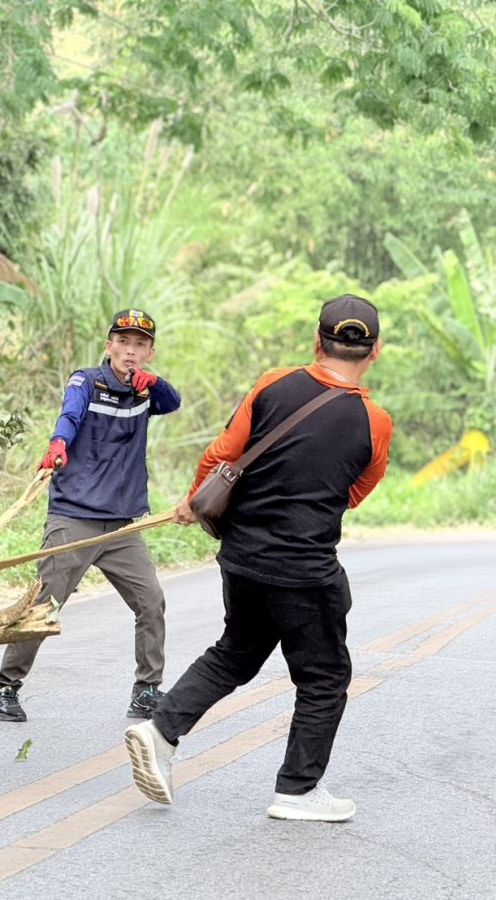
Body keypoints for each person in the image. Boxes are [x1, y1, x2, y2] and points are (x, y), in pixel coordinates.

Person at [124, 294, 392, 822]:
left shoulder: (273, 384)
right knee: (324, 677)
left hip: (242, 557)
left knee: (237, 652)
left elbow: (221, 455)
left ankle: (160, 730)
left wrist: (194, 499)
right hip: (304, 569)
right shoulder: (374, 422)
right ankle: (298, 791)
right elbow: (356, 492)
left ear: (317, 341)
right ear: (375, 351)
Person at [0, 309, 182, 723]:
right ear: (109, 346)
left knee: (151, 602)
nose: (130, 351)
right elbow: (70, 416)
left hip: (121, 525)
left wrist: (154, 383)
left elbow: (173, 401)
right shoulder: (86, 381)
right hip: (74, 518)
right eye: (123, 342)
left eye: (140, 344)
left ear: (149, 352)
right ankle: (4, 689)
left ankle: (146, 691)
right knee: (43, 606)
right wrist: (58, 444)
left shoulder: (146, 392)